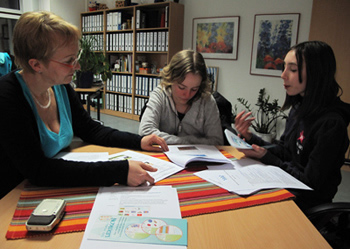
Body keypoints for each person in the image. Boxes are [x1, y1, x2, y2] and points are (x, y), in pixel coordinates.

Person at [0, 11, 168, 199]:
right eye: (68, 61)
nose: (77, 66)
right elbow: (38, 170)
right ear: (36, 65)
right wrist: (119, 171)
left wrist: (138, 141)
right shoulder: (8, 96)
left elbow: (90, 130)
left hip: (48, 189)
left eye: (75, 57)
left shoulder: (59, 86)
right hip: (12, 196)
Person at [234, 41, 350, 212]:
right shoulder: (299, 108)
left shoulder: (331, 124)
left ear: (316, 73)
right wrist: (251, 138)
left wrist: (268, 157)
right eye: (284, 67)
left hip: (306, 201)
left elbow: (309, 182)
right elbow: (285, 150)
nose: (283, 75)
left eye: (293, 69)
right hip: (285, 184)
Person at [138, 49, 224, 145]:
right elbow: (145, 132)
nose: (187, 95)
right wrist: (186, 142)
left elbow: (217, 141)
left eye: (194, 89)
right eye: (182, 87)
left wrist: (172, 141)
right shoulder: (160, 94)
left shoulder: (207, 100)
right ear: (170, 78)